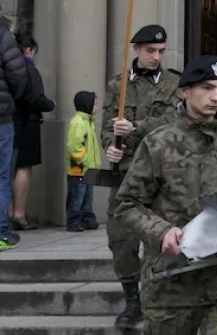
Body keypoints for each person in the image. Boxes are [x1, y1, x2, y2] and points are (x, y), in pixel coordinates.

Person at [113, 55, 217, 334]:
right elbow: (127, 204)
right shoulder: (158, 144)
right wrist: (162, 231)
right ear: (185, 91)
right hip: (171, 287)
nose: (215, 97)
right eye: (206, 88)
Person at [101, 24, 183, 329]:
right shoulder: (117, 86)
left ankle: (156, 298)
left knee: (159, 238)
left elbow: (175, 121)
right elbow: (106, 128)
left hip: (163, 173)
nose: (156, 56)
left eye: (161, 51)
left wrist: (136, 127)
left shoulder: (175, 83)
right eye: (150, 51)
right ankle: (132, 301)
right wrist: (111, 146)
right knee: (121, 240)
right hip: (126, 174)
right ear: (137, 50)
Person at [10, 33, 56, 230]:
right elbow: (36, 97)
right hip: (27, 122)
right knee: (23, 169)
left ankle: (9, 212)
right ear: (28, 49)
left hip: (9, 121)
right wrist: (50, 104)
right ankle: (19, 214)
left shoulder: (8, 67)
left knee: (8, 169)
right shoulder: (28, 68)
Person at [0, 21, 27, 251]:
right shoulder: (3, 36)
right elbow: (18, 75)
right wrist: (10, 99)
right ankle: (1, 233)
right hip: (1, 118)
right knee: (2, 177)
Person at [65, 91, 101, 232]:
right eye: (95, 104)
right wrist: (85, 160)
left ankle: (87, 218)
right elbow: (74, 146)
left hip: (89, 167)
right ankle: (73, 221)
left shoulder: (88, 122)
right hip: (79, 168)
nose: (97, 107)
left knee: (87, 195)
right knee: (77, 196)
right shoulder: (78, 122)